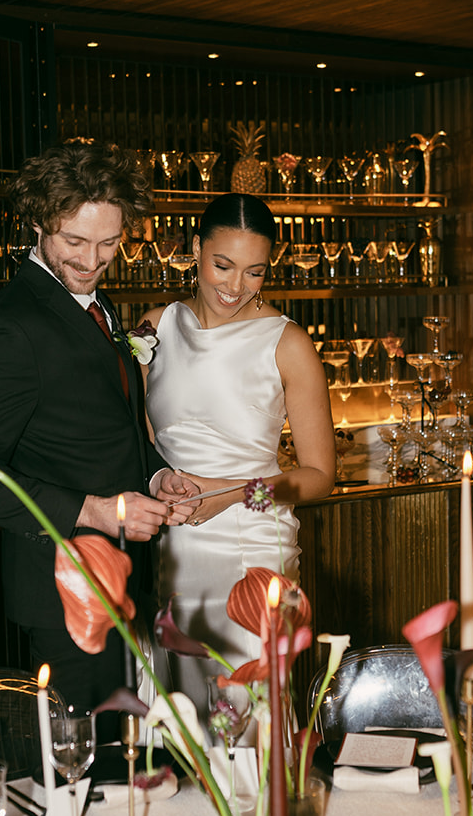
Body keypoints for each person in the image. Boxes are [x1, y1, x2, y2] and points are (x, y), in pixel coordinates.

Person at [0, 141, 196, 715]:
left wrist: (156, 476)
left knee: (121, 757)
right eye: (74, 241)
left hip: (119, 580)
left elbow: (106, 424)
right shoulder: (12, 329)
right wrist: (92, 510)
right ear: (37, 223)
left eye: (109, 243)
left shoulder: (95, 305)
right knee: (87, 761)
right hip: (64, 594)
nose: (91, 260)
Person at [140, 193, 337, 704]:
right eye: (222, 265)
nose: (235, 286)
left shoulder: (288, 342)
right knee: (182, 710)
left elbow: (319, 476)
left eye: (255, 272)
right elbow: (139, 442)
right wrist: (159, 486)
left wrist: (231, 494)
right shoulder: (156, 327)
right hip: (171, 546)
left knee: (251, 712)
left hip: (253, 542)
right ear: (195, 249)